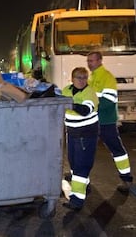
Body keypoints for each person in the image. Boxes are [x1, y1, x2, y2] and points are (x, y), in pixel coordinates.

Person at [87, 51, 134, 193]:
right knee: (87, 150)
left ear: (100, 61)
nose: (90, 64)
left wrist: (88, 106)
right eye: (88, 61)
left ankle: (127, 179)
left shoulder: (107, 77)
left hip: (106, 121)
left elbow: (107, 102)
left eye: (92, 61)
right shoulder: (92, 77)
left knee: (116, 150)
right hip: (95, 120)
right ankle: (82, 178)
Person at [61, 67, 99, 211]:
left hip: (86, 134)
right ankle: (85, 184)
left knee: (81, 165)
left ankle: (76, 200)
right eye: (79, 77)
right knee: (73, 161)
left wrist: (68, 104)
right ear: (72, 79)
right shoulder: (66, 90)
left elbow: (85, 111)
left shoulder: (90, 92)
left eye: (84, 77)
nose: (82, 80)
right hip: (72, 133)